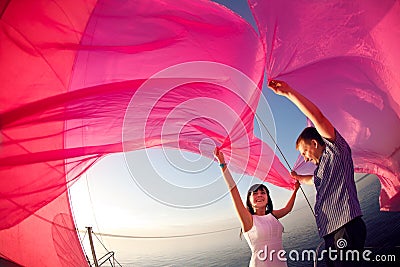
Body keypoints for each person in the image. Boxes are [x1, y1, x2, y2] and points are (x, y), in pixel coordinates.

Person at [268, 80, 366, 266]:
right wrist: (297, 178)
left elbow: (318, 118)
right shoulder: (322, 169)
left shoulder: (337, 151)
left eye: (304, 152)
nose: (304, 159)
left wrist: (289, 93)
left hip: (345, 228)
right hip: (332, 234)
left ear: (314, 143)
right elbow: (313, 180)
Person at [214, 148, 300, 267]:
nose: (259, 195)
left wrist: (295, 191)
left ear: (268, 198)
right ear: (249, 200)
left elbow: (287, 209)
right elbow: (232, 189)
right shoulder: (248, 220)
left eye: (262, 192)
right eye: (255, 193)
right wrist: (222, 163)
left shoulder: (272, 216)